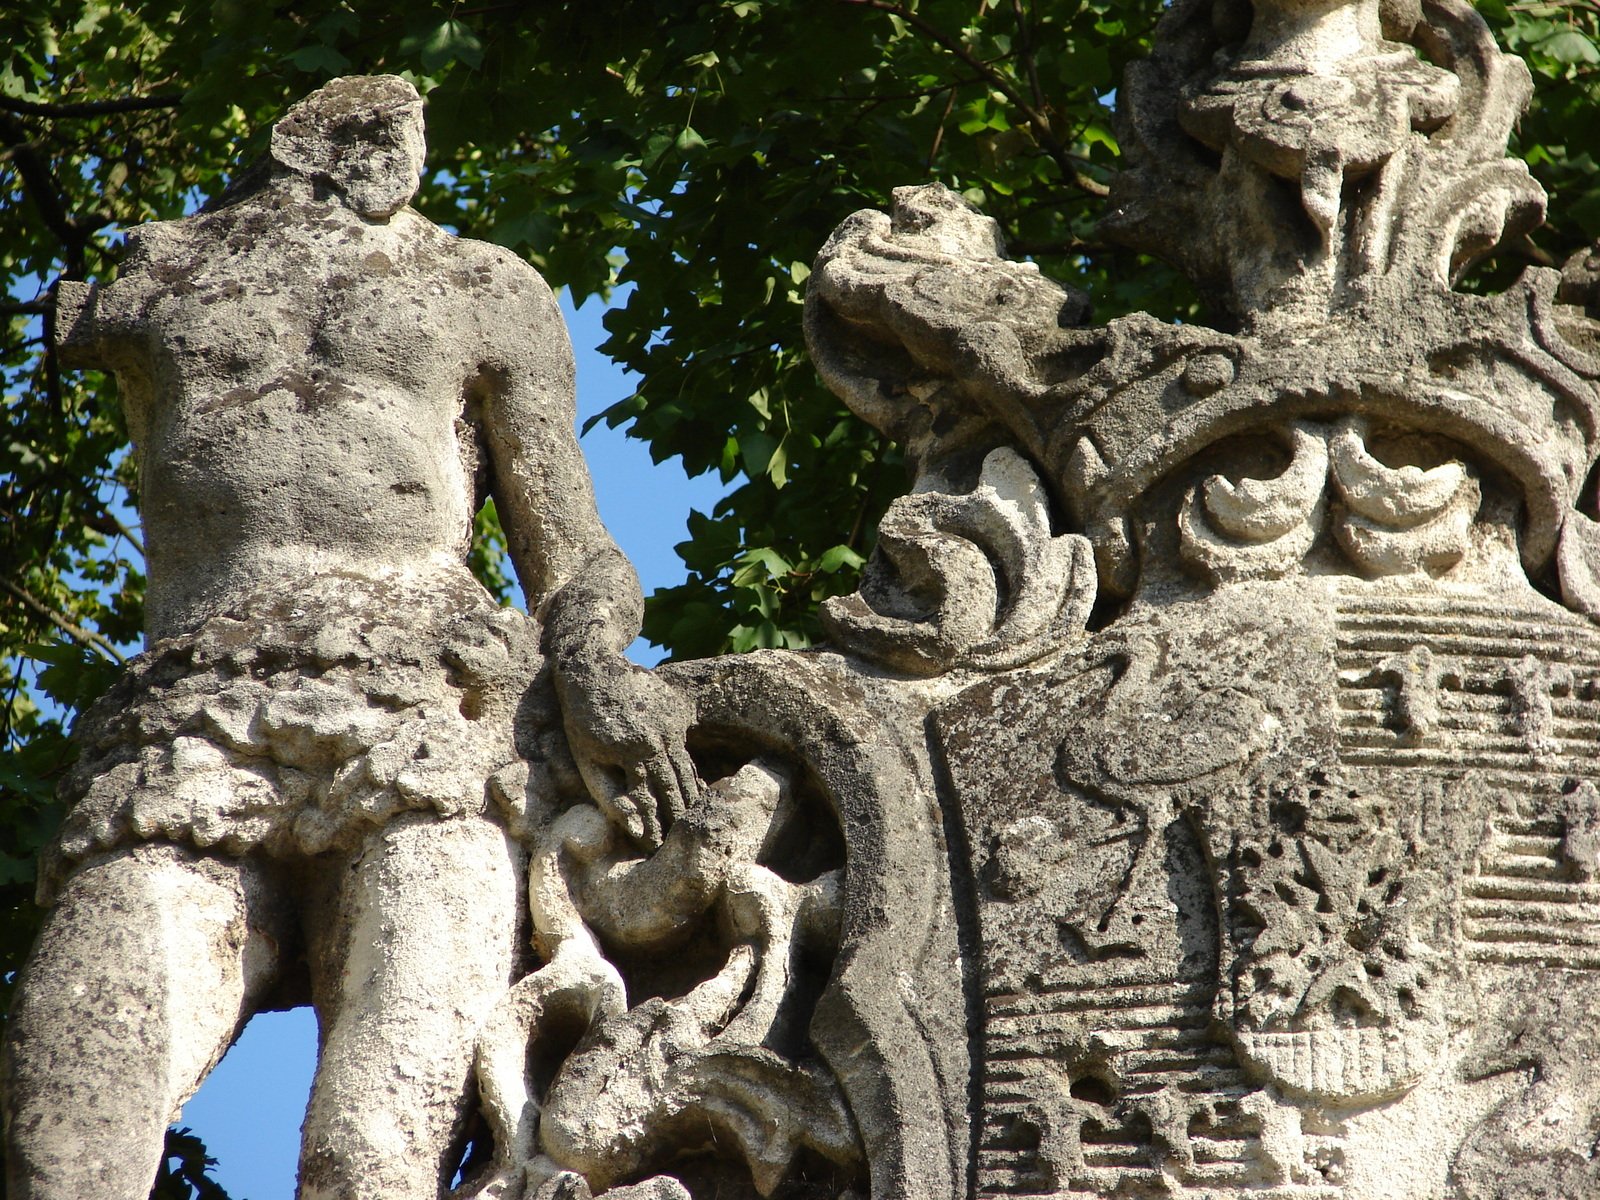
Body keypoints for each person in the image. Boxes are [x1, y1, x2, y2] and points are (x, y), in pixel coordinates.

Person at [1, 75, 697, 1200]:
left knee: (372, 1154)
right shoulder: (153, 277)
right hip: (193, 717)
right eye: (384, 128)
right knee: (65, 1138)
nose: (403, 145)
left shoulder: (479, 284)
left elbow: (573, 553)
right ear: (313, 142)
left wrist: (594, 663)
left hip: (439, 716)